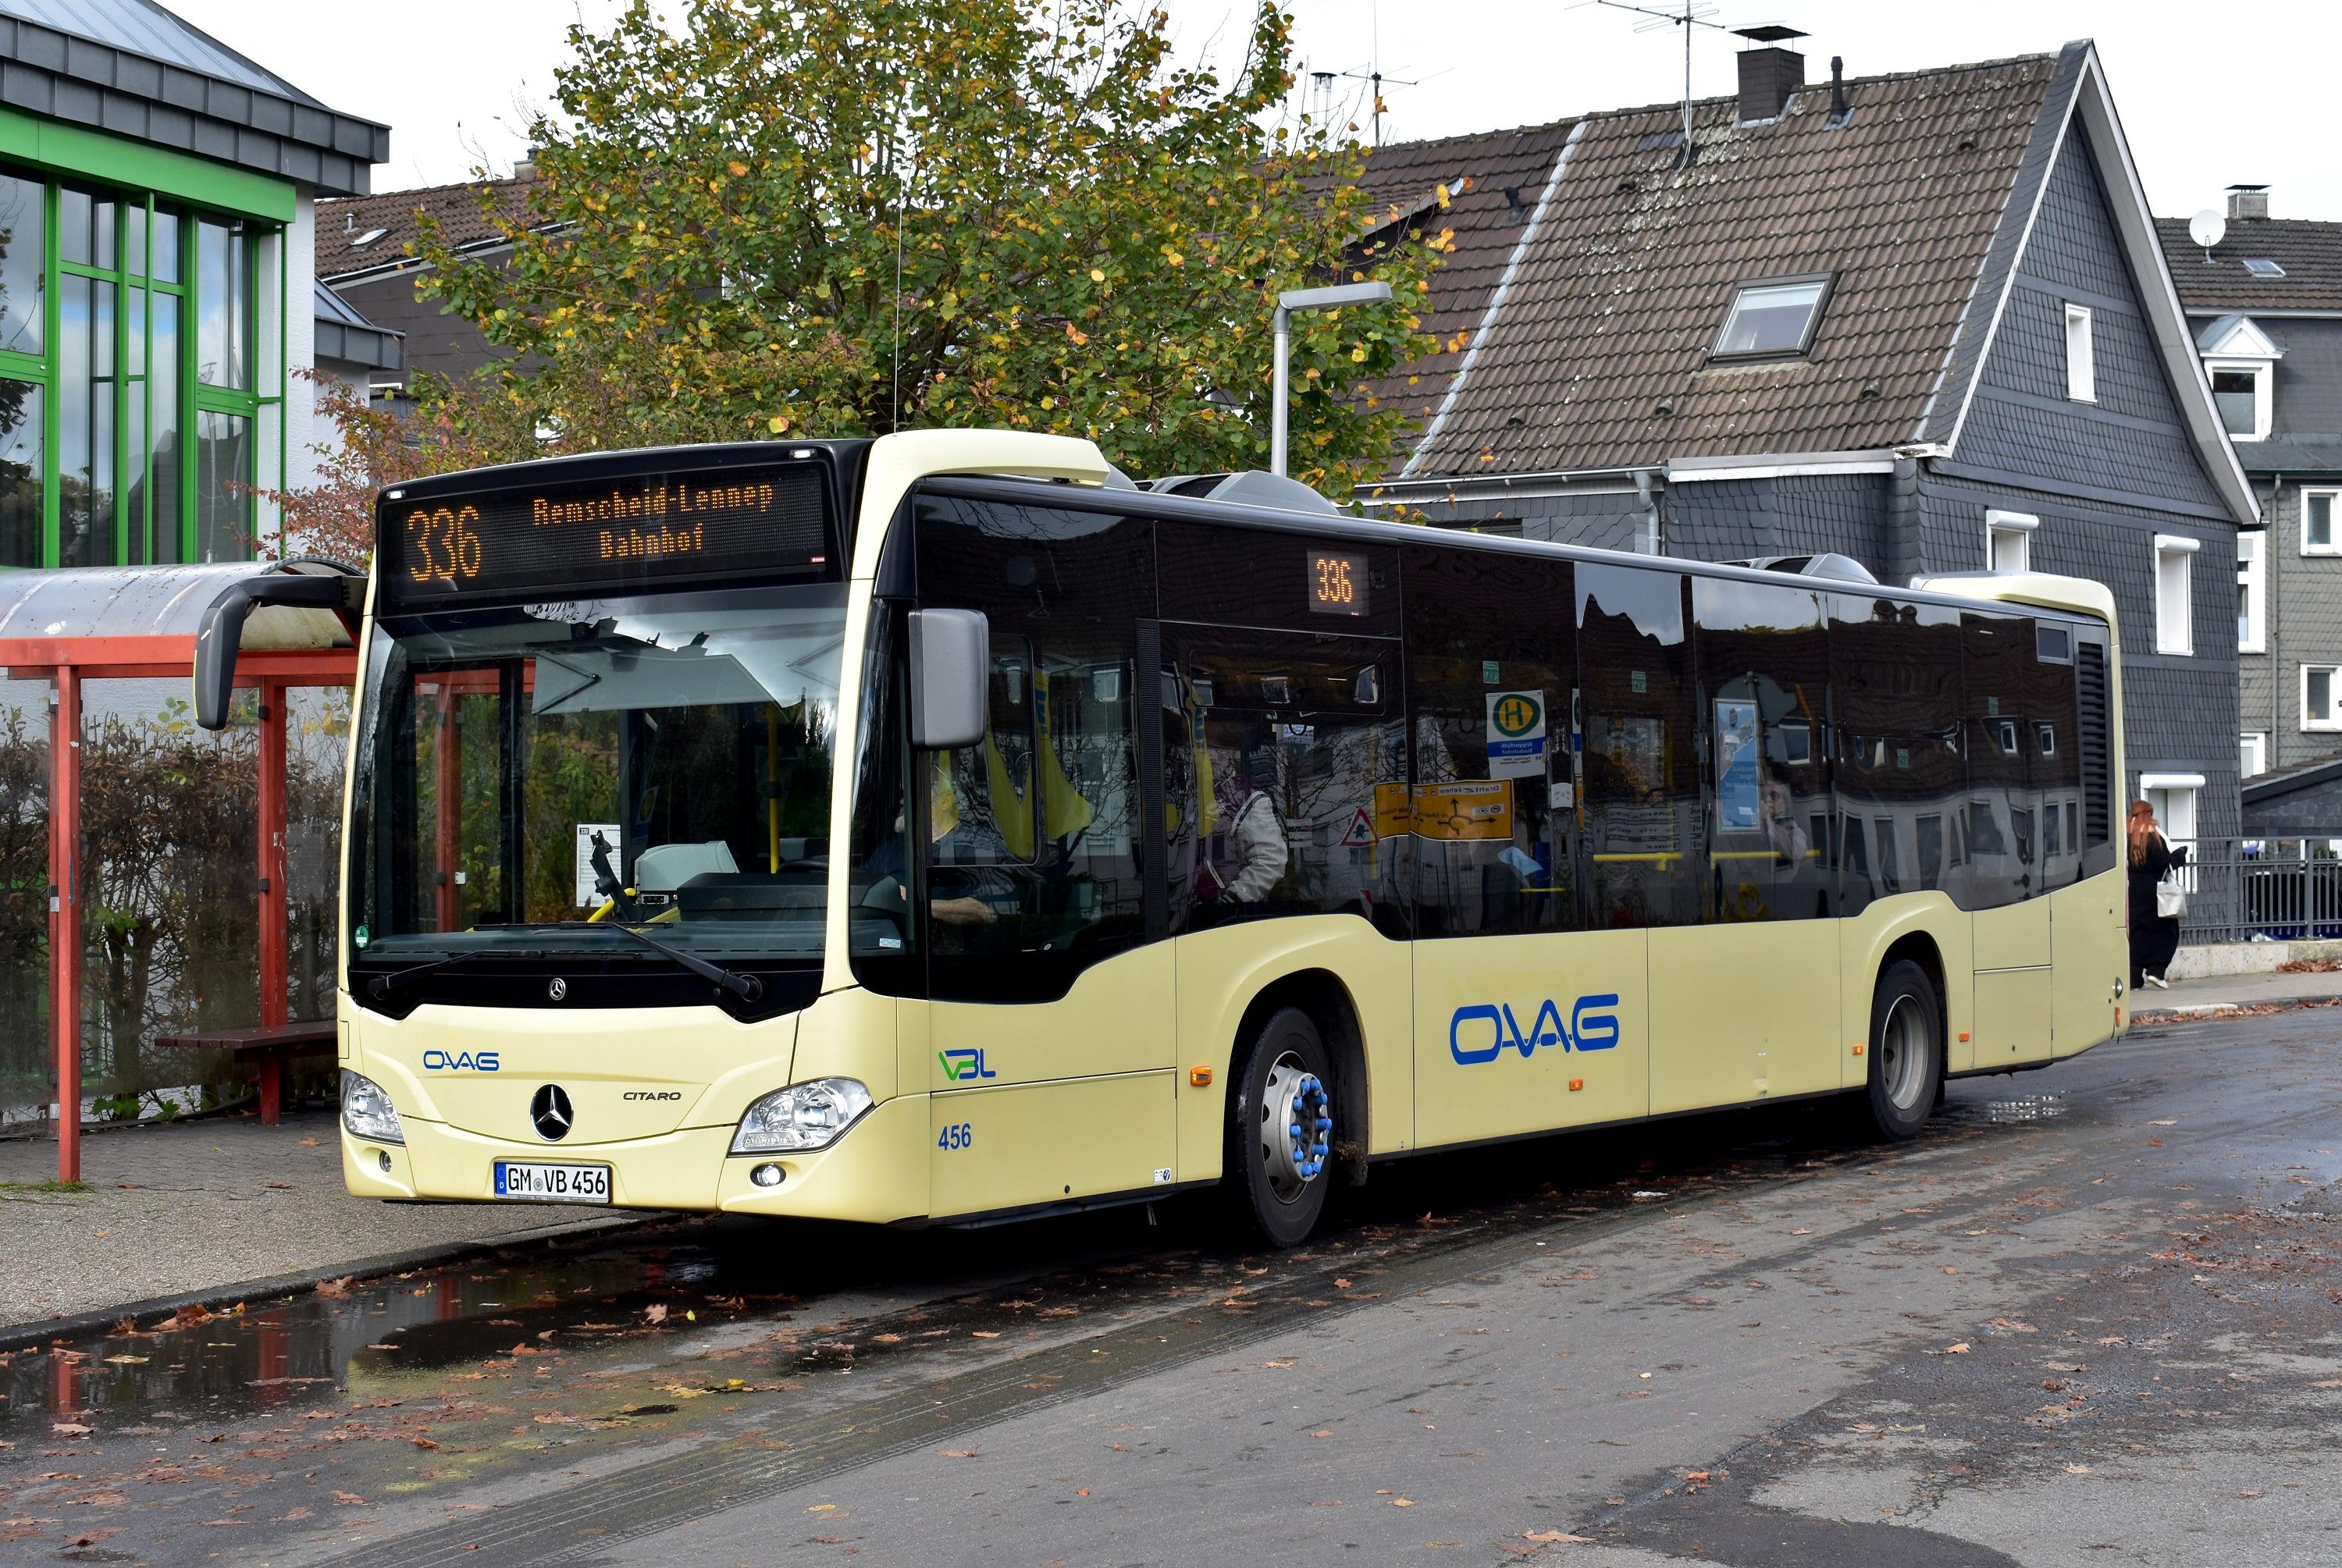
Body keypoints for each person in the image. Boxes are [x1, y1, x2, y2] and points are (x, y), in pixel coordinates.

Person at [2127, 800, 2184, 990]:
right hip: (2155, 892)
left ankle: (2134, 978)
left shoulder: (2125, 836)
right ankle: (2156, 970)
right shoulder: (2154, 837)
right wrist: (2180, 855)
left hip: (2131, 890)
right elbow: (2164, 864)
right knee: (2167, 931)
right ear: (2149, 815)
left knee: (2136, 934)